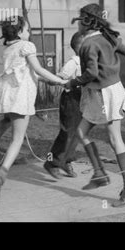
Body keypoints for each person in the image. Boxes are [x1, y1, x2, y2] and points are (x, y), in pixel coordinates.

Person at [0, 16, 67, 200]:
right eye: (28, 30)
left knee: (6, 119)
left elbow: (26, 72)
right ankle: (2, 173)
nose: (29, 33)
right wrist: (60, 81)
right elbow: (37, 69)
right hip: (20, 96)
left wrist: (48, 81)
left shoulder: (8, 49)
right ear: (20, 32)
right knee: (17, 139)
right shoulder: (27, 46)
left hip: (8, 93)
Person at [67, 3, 125, 207]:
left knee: (113, 137)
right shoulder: (109, 38)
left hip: (103, 94)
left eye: (80, 20)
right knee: (82, 133)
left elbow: (91, 73)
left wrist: (73, 82)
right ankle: (100, 173)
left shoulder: (88, 45)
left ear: (86, 22)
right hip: (111, 90)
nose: (77, 25)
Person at [43, 32, 84, 179]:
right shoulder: (74, 62)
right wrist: (48, 79)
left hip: (83, 100)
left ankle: (66, 161)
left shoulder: (88, 61)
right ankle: (52, 162)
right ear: (80, 46)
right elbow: (60, 78)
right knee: (67, 132)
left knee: (78, 132)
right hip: (71, 99)